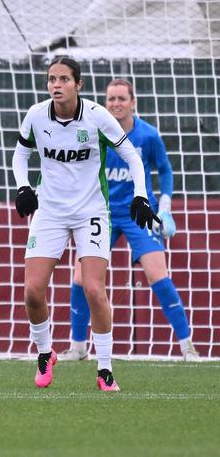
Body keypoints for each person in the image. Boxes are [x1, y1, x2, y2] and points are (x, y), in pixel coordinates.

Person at [12, 57, 159, 392]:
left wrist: (141, 195)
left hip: (91, 211)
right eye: (51, 79)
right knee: (32, 291)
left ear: (78, 84)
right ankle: (45, 353)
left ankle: (104, 368)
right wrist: (23, 186)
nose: (56, 85)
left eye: (64, 79)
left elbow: (132, 157)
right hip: (49, 211)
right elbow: (20, 154)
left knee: (94, 289)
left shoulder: (96, 117)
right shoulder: (36, 115)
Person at [60, 78, 199, 361]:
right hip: (102, 212)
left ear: (133, 102)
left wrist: (166, 208)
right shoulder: (95, 132)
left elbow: (165, 170)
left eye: (122, 98)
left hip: (140, 212)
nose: (116, 104)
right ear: (105, 102)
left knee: (157, 274)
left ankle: (187, 346)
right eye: (111, 99)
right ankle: (77, 347)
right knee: (80, 277)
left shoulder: (147, 135)